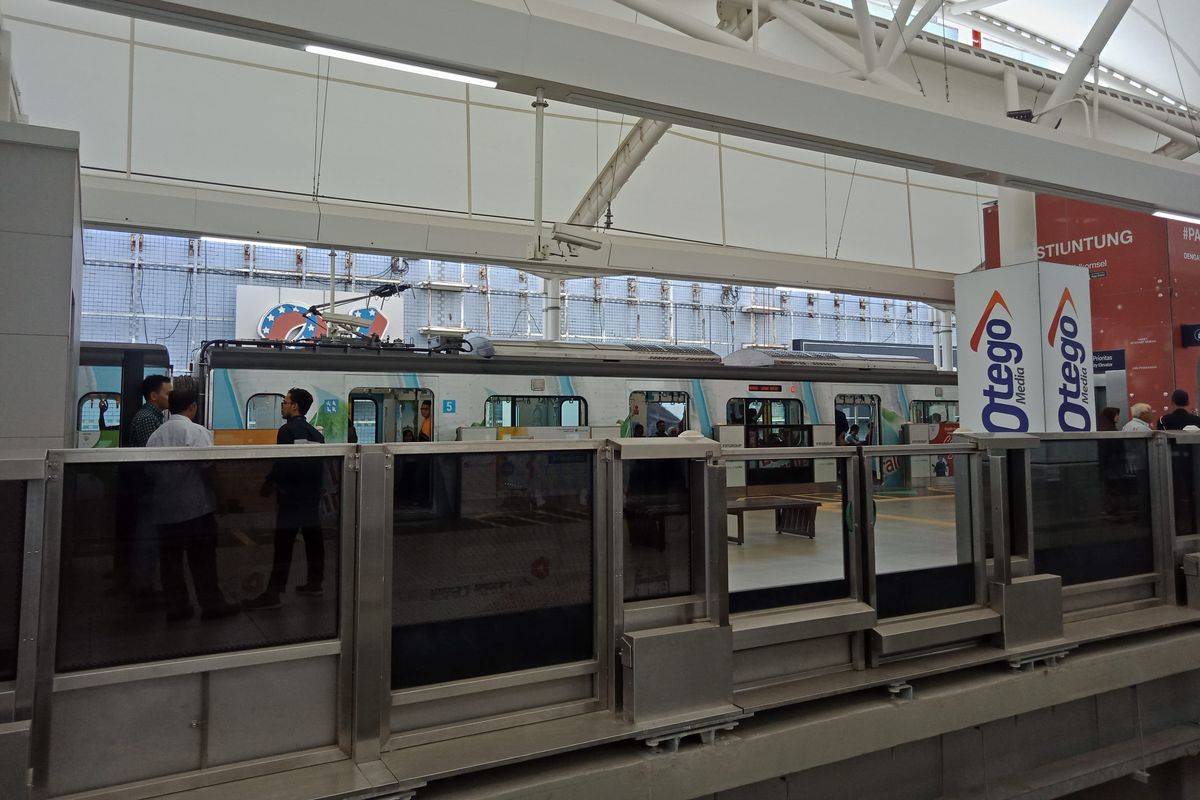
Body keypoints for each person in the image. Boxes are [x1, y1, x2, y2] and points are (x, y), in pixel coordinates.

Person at [146, 384, 239, 622]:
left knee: (170, 563)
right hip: (197, 510)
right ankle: (211, 606)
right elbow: (209, 469)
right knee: (203, 561)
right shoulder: (197, 433)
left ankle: (177, 609)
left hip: (165, 512)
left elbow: (148, 473)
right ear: (193, 407)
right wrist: (221, 498)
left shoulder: (155, 436)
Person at [245, 388, 327, 610]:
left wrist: (269, 483)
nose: (283, 405)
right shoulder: (316, 434)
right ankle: (314, 582)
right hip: (310, 497)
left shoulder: (287, 431)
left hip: (291, 497)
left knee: (283, 545)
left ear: (295, 406)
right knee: (314, 541)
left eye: (286, 401)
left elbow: (285, 463)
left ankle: (273, 592)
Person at [130, 375, 172, 447]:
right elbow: (153, 452)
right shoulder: (148, 418)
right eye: (168, 394)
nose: (172, 398)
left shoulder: (153, 416)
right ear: (153, 396)